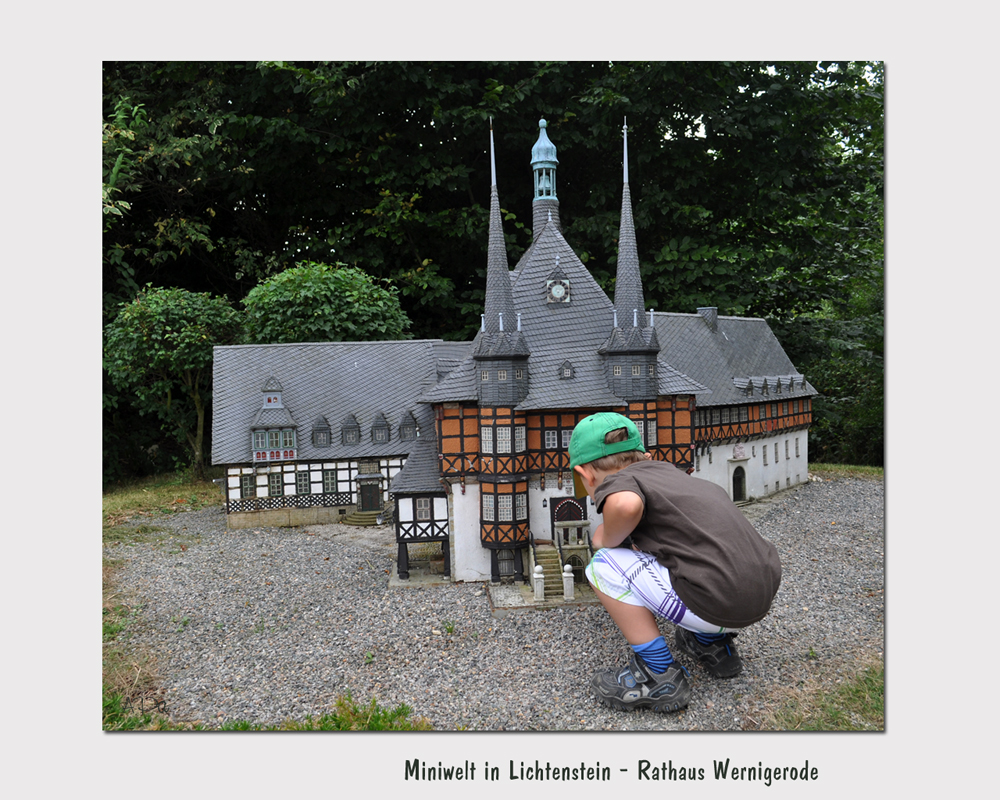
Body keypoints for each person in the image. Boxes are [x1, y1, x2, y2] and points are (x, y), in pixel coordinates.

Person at [569, 412, 781, 713]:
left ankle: (657, 675)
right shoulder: (674, 475)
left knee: (603, 564)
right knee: (678, 554)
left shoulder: (622, 482)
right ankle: (710, 643)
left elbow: (626, 505)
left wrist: (606, 537)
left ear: (585, 475)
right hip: (759, 592)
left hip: (718, 601)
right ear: (647, 456)